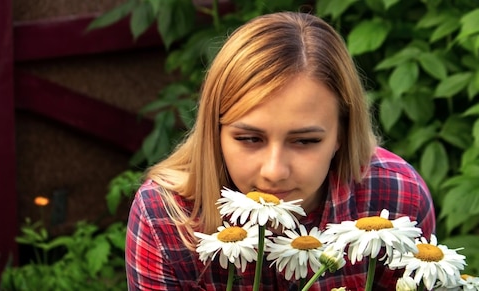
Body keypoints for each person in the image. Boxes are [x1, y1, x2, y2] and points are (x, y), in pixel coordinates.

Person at [125, 11, 435, 291]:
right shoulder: (165, 218)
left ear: (342, 133)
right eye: (249, 138)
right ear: (215, 131)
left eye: (305, 141)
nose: (274, 171)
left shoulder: (396, 197)